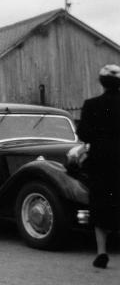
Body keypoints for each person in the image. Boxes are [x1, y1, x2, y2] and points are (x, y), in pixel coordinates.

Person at [75, 64, 120, 269]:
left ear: (102, 83)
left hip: (101, 159)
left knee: (100, 203)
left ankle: (102, 252)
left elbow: (83, 134)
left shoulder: (91, 104)